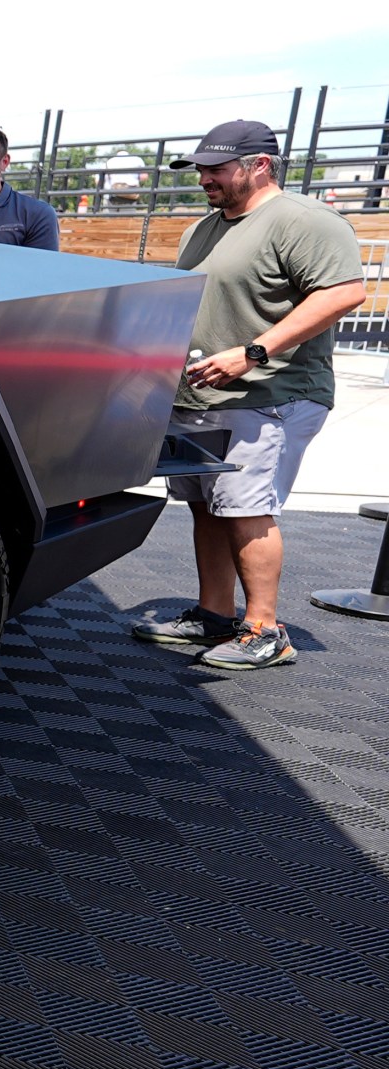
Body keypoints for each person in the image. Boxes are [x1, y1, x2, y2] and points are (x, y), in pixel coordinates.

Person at [128, 120, 367, 670]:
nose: (205, 179)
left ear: (259, 164)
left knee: (246, 510)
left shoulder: (304, 220)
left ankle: (265, 629)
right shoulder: (205, 227)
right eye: (201, 169)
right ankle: (215, 613)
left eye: (216, 168)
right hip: (201, 397)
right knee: (206, 506)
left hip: (273, 393)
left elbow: (345, 292)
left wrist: (253, 353)